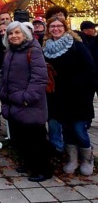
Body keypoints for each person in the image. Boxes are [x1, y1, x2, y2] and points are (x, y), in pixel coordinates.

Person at [0, 21, 52, 182]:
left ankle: (43, 170)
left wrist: (26, 98)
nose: (13, 36)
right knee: (21, 138)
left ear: (24, 34)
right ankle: (29, 164)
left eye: (17, 33)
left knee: (36, 140)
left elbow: (40, 79)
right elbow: (2, 74)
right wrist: (1, 90)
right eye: (10, 33)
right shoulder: (9, 52)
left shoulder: (34, 51)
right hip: (13, 103)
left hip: (30, 105)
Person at [43, 17, 96, 176]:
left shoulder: (76, 45)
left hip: (79, 96)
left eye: (59, 26)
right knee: (67, 130)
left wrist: (85, 90)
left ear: (65, 28)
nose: (56, 29)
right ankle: (72, 159)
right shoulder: (46, 48)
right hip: (59, 97)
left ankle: (87, 159)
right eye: (52, 26)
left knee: (79, 129)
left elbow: (91, 69)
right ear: (48, 29)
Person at [44, 6, 69, 157]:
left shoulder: (76, 42)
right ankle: (57, 152)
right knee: (53, 122)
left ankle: (75, 153)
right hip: (52, 90)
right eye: (53, 21)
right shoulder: (45, 44)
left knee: (72, 125)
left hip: (71, 90)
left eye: (60, 18)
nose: (57, 26)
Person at [78, 21, 98, 98]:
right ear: (85, 30)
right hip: (88, 77)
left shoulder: (95, 40)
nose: (95, 30)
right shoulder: (81, 42)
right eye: (92, 28)